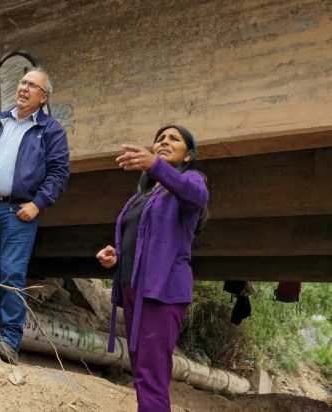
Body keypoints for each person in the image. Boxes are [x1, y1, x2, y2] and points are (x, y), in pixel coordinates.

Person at [0, 68, 70, 365]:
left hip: (17, 212)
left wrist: (38, 203)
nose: (23, 88)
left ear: (43, 97)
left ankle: (8, 341)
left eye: (32, 85)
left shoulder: (50, 130)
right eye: (22, 82)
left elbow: (59, 172)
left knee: (10, 274)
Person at [95, 125, 209, 411]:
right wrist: (116, 255)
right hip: (135, 289)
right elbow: (144, 240)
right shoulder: (141, 197)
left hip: (164, 292)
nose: (164, 142)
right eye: (160, 139)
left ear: (188, 154)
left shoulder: (191, 181)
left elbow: (196, 196)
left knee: (152, 374)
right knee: (142, 372)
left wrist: (156, 165)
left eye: (174, 139)